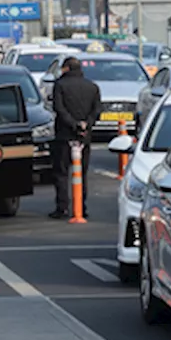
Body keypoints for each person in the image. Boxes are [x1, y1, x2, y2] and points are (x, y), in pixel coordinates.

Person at [50, 57, 102, 219]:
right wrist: (86, 124)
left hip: (64, 134)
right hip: (85, 136)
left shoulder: (60, 85)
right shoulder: (92, 87)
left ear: (66, 68)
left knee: (61, 172)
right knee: (81, 173)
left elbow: (58, 108)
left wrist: (73, 124)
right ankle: (81, 207)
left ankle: (62, 206)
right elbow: (97, 110)